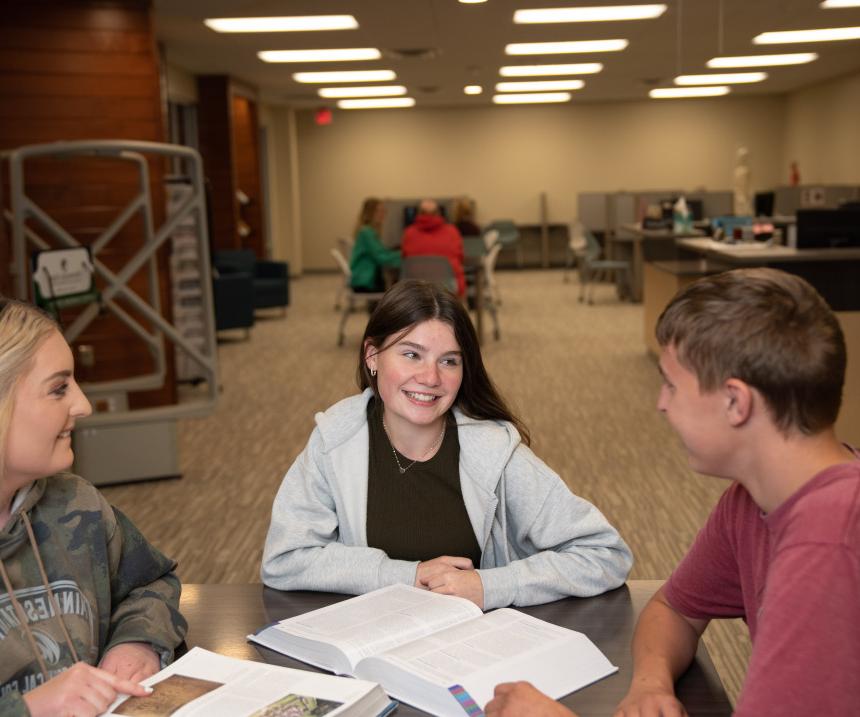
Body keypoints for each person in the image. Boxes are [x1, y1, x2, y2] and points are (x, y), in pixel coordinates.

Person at [485, 268, 859, 716]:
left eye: (671, 384)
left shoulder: (830, 546)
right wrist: (650, 684)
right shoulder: (754, 500)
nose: (661, 403)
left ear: (736, 402)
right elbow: (674, 608)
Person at [262, 280, 632, 610]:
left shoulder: (494, 453)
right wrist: (407, 576)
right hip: (368, 647)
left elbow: (605, 555)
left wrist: (492, 586)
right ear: (372, 356)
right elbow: (285, 559)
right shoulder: (335, 439)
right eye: (411, 354)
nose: (430, 378)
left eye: (449, 361)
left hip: (470, 652)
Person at [0, 299, 187, 717]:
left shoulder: (75, 504)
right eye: (58, 388)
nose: (83, 405)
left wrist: (136, 642)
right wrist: (27, 709)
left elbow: (149, 584)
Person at [401, 199, 466, 297]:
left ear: (419, 213)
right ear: (438, 213)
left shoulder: (409, 233)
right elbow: (460, 258)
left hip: (416, 289)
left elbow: (405, 260)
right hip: (448, 288)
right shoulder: (452, 231)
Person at [349, 197, 401, 293]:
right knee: (398, 283)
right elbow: (381, 258)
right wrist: (404, 255)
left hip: (363, 278)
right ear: (370, 213)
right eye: (379, 211)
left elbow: (380, 252)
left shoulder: (367, 230)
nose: (383, 214)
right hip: (365, 282)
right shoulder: (366, 232)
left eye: (383, 211)